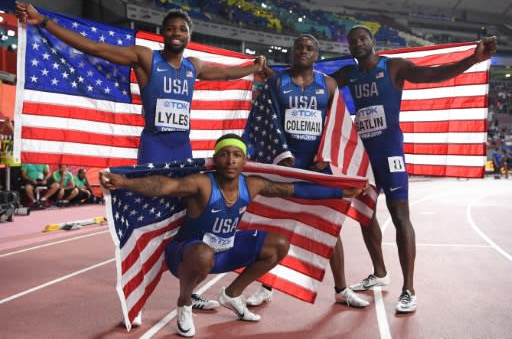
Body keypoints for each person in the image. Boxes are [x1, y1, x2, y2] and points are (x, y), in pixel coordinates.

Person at [15, 1, 267, 313]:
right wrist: (44, 23)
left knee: (190, 214)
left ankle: (190, 284)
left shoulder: (193, 66)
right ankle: (140, 266)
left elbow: (226, 74)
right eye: (170, 29)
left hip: (182, 151)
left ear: (189, 35)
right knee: (147, 211)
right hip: (155, 148)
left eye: (182, 29)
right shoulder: (146, 58)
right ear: (162, 34)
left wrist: (252, 68)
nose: (176, 33)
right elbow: (96, 48)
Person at [101, 133, 367, 337]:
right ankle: (184, 304)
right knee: (203, 253)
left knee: (278, 244)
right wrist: (125, 182)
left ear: (244, 160)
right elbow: (164, 185)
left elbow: (292, 190)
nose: (230, 160)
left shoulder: (252, 184)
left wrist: (339, 193)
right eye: (225, 154)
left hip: (224, 252)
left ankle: (232, 294)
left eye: (237, 155)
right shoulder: (202, 183)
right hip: (187, 255)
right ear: (216, 159)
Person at [329, 25, 497, 313]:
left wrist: (473, 59)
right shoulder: (347, 74)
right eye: (353, 40)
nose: (358, 43)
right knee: (365, 216)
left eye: (362, 38)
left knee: (400, 217)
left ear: (372, 41)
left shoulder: (393, 66)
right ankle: (379, 272)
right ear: (348, 47)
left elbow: (433, 75)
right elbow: (314, 86)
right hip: (363, 158)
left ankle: (409, 289)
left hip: (390, 154)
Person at [243, 35, 369, 308]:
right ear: (292, 52)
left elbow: (338, 125)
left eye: (309, 48)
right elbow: (265, 120)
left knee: (329, 225)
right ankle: (266, 286)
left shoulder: (329, 85)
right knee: (275, 224)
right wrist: (281, 154)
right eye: (299, 47)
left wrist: (326, 155)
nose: (303, 51)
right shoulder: (277, 82)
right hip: (284, 164)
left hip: (316, 167)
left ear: (316, 55)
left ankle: (341, 288)